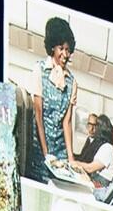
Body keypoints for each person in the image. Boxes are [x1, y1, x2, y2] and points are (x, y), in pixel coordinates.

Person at [27, 17, 77, 183]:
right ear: (52, 47)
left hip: (60, 152)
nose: (65, 54)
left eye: (68, 50)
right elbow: (38, 115)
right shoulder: (39, 70)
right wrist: (46, 152)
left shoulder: (72, 81)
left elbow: (67, 122)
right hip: (40, 147)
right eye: (61, 48)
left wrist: (71, 159)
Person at [72, 114, 113, 187]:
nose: (92, 129)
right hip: (96, 178)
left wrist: (75, 163)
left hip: (101, 183)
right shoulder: (102, 145)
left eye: (96, 126)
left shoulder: (108, 148)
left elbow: (90, 168)